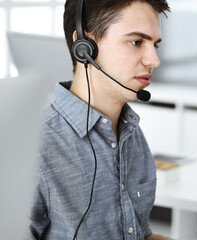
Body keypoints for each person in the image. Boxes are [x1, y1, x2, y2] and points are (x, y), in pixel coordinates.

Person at [29, 0, 171, 239]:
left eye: (154, 44)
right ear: (84, 47)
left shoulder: (131, 133)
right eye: (136, 42)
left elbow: (138, 234)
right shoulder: (32, 147)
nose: (154, 60)